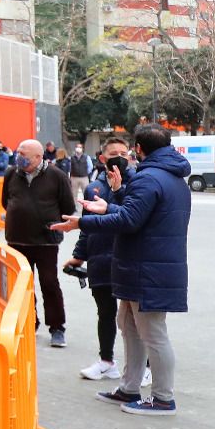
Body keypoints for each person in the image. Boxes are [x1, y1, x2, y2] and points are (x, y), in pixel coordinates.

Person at [53, 125, 191, 416]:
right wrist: (110, 206)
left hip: (147, 268)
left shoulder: (150, 178)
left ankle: (163, 398)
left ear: (138, 149)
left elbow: (129, 221)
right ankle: (129, 387)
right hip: (143, 266)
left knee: (152, 333)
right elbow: (136, 216)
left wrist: (82, 222)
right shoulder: (169, 178)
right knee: (129, 326)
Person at [0, 139, 76, 348]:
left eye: (24, 154)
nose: (19, 157)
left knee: (49, 283)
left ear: (38, 157)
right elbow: (5, 201)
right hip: (17, 240)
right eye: (18, 152)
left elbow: (68, 206)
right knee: (22, 286)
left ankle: (57, 327)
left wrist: (50, 222)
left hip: (45, 241)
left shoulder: (56, 176)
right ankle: (28, 323)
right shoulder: (11, 174)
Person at [67, 137, 131, 381]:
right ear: (102, 158)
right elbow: (86, 226)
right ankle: (107, 361)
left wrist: (120, 190)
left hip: (127, 258)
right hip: (100, 260)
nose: (119, 156)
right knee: (105, 313)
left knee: (134, 318)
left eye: (123, 153)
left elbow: (133, 217)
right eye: (113, 153)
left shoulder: (137, 183)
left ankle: (144, 366)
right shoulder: (94, 187)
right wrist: (78, 256)